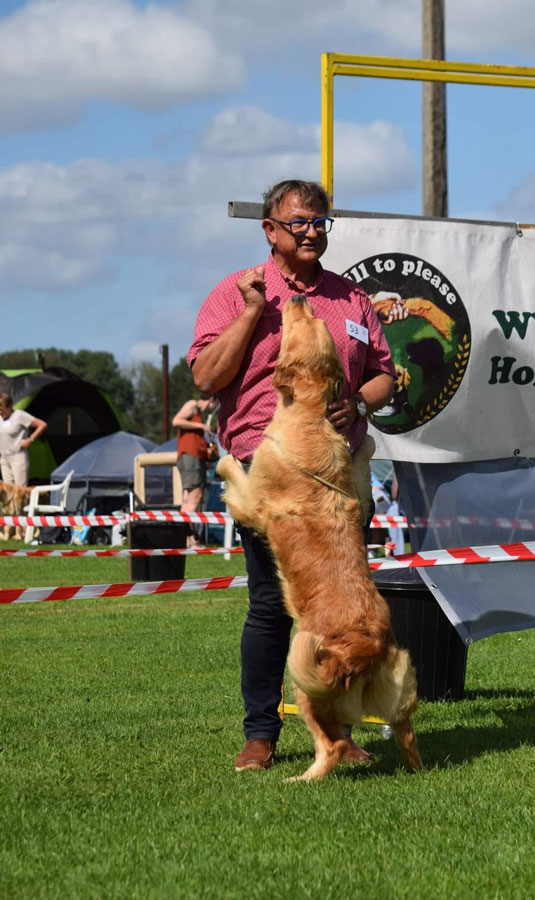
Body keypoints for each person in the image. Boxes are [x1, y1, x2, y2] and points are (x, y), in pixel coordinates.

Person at [187, 179, 395, 772]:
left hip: (339, 476)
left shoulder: (353, 299)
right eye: (299, 221)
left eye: (320, 220)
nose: (312, 231)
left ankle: (339, 731)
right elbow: (206, 377)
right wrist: (254, 312)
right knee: (271, 606)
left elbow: (385, 375)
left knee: (342, 611)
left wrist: (356, 402)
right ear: (271, 231)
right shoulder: (237, 291)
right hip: (269, 464)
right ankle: (261, 732)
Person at [172, 395, 218, 548]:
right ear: (212, 400)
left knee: (187, 500)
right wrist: (202, 427)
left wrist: (207, 457)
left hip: (194, 458)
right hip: (190, 457)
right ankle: (189, 539)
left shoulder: (199, 415)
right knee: (194, 497)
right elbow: (176, 421)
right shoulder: (192, 404)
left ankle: (185, 539)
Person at [0, 392, 47, 486]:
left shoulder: (19, 415)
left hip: (18, 457)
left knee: (19, 491)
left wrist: (30, 439)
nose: (1, 412)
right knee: (8, 491)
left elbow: (42, 424)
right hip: (4, 458)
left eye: (3, 410)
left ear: (10, 407)